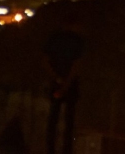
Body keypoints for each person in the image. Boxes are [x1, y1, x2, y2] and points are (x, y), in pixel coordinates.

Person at [42, 14, 85, 154]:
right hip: (70, 83)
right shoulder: (77, 41)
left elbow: (45, 61)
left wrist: (55, 78)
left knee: (53, 118)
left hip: (55, 82)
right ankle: (67, 149)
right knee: (69, 120)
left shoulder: (53, 39)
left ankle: (50, 148)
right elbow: (76, 65)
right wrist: (67, 82)